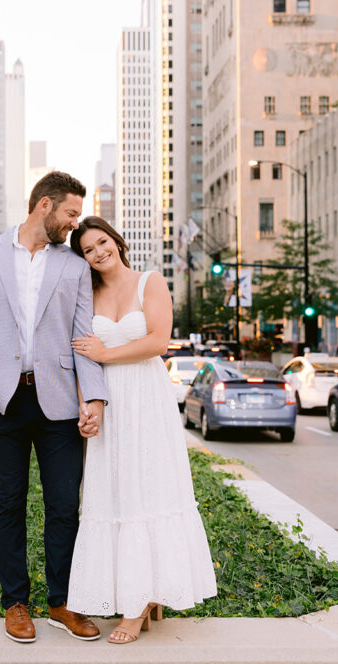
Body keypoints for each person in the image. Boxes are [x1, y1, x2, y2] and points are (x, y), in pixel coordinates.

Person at [0, 172, 108, 644]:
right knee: (9, 503)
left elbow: (84, 338)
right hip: (2, 400)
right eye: (70, 213)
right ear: (45, 205)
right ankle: (15, 603)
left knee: (65, 505)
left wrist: (95, 398)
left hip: (59, 402)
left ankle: (61, 602)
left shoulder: (75, 267)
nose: (74, 222)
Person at [68, 217, 217, 644]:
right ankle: (139, 596)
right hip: (109, 403)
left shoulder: (149, 282)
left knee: (148, 491)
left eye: (102, 242)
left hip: (147, 402)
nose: (99, 252)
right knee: (114, 493)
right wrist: (86, 403)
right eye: (88, 250)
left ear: (116, 240)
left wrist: (106, 351)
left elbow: (158, 342)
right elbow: (83, 355)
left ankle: (136, 609)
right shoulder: (87, 294)